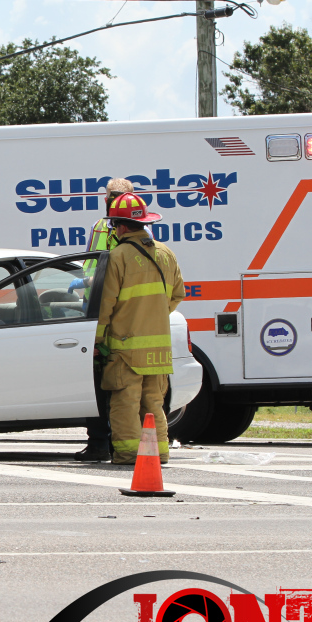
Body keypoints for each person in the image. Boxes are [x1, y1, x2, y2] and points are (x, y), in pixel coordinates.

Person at [95, 192, 185, 466]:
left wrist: (97, 340)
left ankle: (129, 454)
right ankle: (159, 452)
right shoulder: (166, 254)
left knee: (125, 403)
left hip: (126, 348)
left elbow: (105, 304)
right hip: (159, 350)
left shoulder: (118, 256)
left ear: (121, 226)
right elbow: (178, 294)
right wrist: (153, 315)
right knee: (153, 403)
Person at [72, 178, 134, 462]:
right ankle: (101, 442)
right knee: (100, 383)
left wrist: (87, 283)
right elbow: (92, 263)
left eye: (118, 196)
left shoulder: (131, 231)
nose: (113, 201)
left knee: (112, 386)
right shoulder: (102, 226)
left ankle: (108, 443)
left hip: (111, 314)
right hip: (102, 312)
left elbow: (106, 271)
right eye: (112, 196)